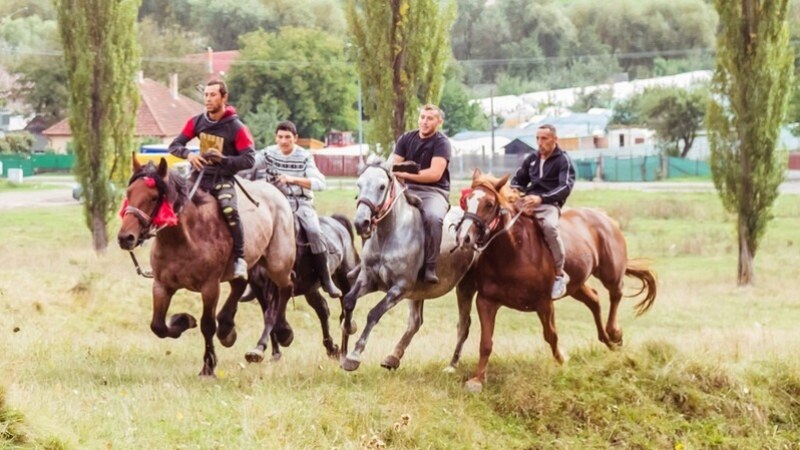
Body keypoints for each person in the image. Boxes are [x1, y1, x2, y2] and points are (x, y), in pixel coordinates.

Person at [168, 79, 255, 280]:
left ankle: (239, 258)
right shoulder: (196, 122)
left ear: (224, 97)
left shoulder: (237, 127)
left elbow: (249, 159)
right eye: (206, 95)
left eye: (213, 95)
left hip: (223, 178)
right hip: (198, 176)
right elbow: (174, 145)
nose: (208, 99)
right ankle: (170, 256)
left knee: (229, 210)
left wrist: (223, 159)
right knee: (175, 205)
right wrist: (189, 155)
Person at [249, 121, 342, 298]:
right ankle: (251, 280)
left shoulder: (304, 156)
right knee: (252, 229)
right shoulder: (268, 153)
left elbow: (320, 183)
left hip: (300, 203)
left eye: (288, 137)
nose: (283, 141)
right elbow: (249, 164)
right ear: (276, 138)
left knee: (314, 231)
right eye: (280, 137)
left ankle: (326, 278)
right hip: (272, 205)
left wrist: (292, 179)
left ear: (296, 138)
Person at [510, 124, 576, 299]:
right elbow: (518, 180)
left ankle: (559, 274)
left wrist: (541, 198)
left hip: (549, 204)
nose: (540, 142)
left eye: (544, 138)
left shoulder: (563, 160)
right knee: (503, 217)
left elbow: (565, 187)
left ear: (555, 139)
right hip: (527, 202)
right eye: (537, 138)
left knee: (549, 227)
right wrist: (516, 192)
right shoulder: (531, 158)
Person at [392, 104, 452, 284]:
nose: (424, 122)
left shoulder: (442, 143)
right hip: (406, 188)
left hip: (434, 191)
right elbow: (394, 166)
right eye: (422, 117)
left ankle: (430, 266)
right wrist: (401, 174)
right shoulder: (405, 139)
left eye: (430, 118)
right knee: (379, 209)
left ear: (439, 122)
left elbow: (434, 174)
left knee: (433, 218)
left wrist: (404, 173)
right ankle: (369, 259)